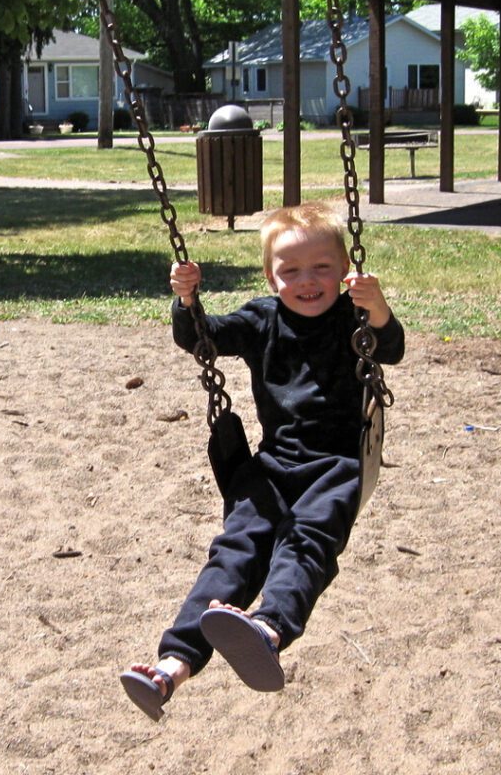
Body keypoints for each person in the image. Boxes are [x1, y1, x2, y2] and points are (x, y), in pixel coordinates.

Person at [120, 201, 404, 721]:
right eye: (290, 270)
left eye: (322, 267)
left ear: (345, 270)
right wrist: (187, 299)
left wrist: (377, 305)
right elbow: (201, 338)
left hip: (337, 466)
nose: (307, 280)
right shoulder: (261, 318)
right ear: (271, 278)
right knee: (234, 551)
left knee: (306, 542)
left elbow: (391, 347)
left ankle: (268, 628)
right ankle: (171, 665)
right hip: (272, 464)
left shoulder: (354, 317)